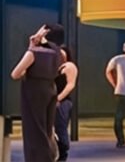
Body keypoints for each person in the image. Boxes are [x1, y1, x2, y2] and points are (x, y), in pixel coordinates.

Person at [10, 23, 64, 162]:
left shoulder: (33, 53)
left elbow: (15, 74)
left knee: (34, 130)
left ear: (44, 34)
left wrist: (31, 47)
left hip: (34, 91)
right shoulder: (58, 53)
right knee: (46, 128)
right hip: (50, 89)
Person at [56, 44, 78, 161]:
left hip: (62, 102)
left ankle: (63, 153)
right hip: (52, 102)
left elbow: (70, 85)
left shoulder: (69, 66)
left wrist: (58, 98)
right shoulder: (54, 66)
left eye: (62, 53)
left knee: (60, 128)